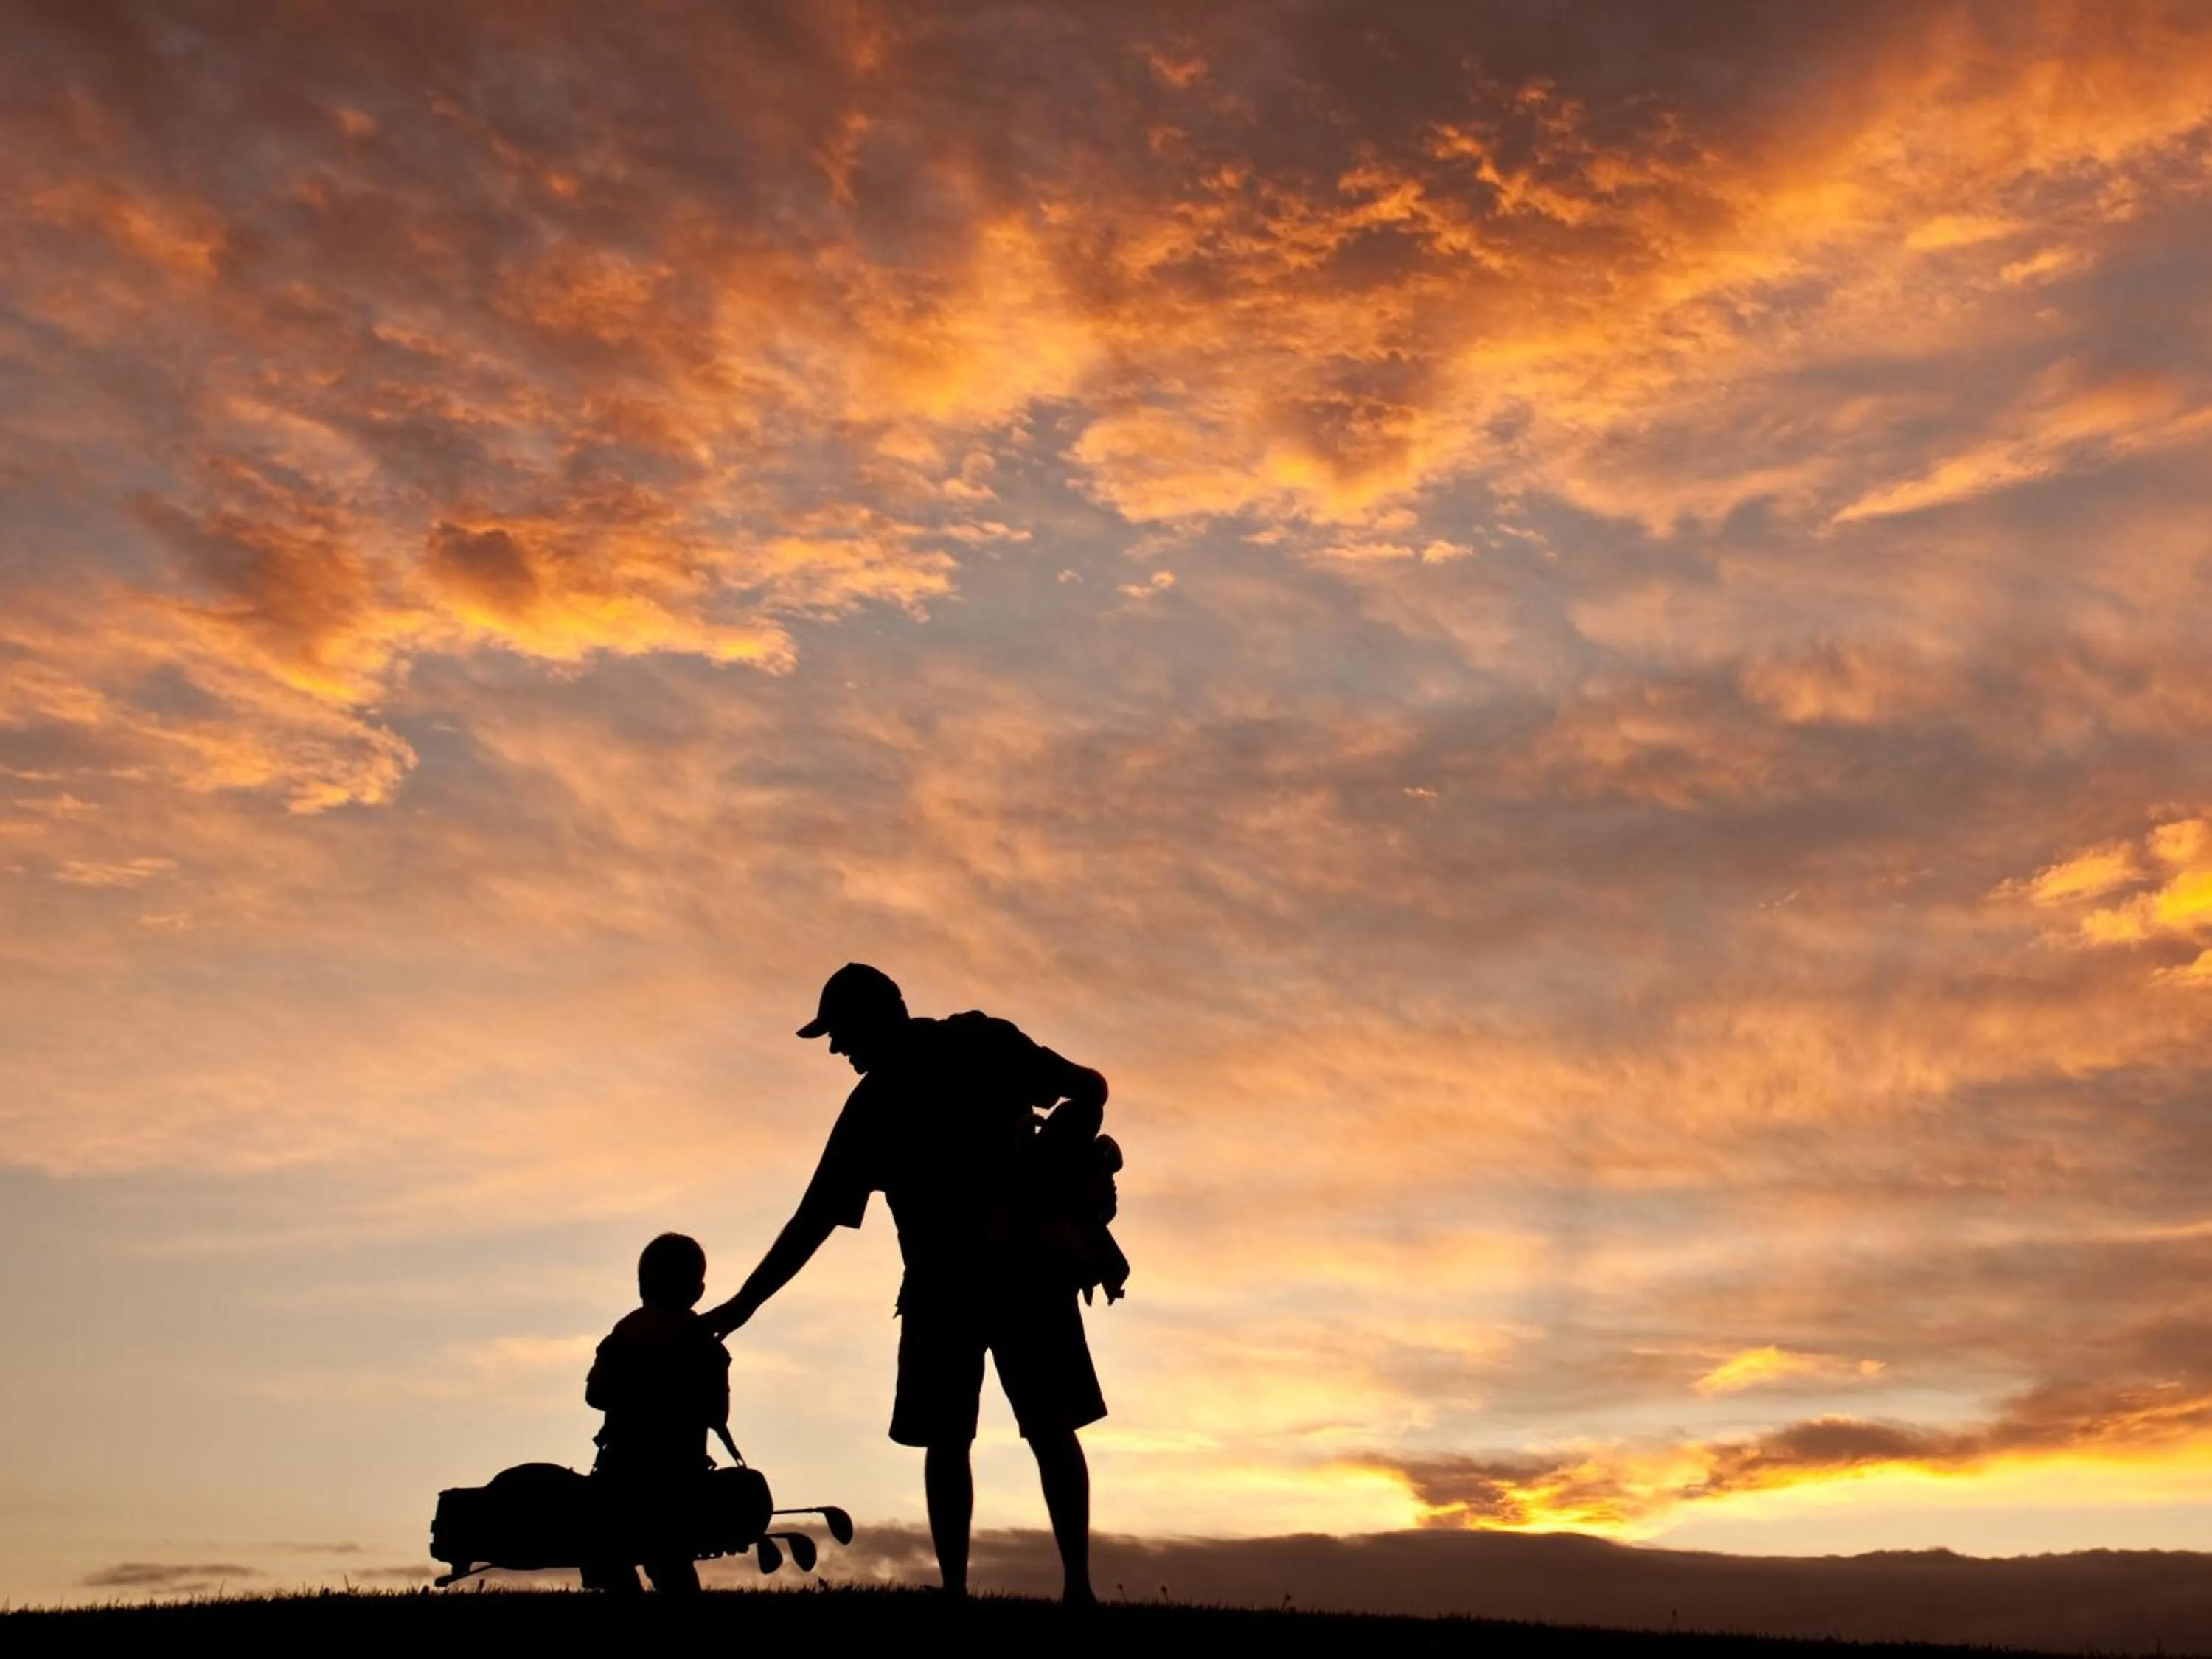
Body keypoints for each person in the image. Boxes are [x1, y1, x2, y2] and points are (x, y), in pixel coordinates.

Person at [706, 964, 1110, 1604]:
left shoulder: (892, 1094)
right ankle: (1069, 1591)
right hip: (991, 1280)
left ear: (875, 1017)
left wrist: (1059, 1175)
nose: (837, 1048)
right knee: (1028, 1432)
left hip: (972, 1283)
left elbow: (813, 1219)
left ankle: (980, 1592)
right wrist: (745, 1303)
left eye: (839, 1032)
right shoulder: (977, 1046)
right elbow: (1089, 1087)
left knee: (987, 1436)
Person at [583, 1231, 731, 1593]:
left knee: (610, 1554)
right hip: (682, 1473)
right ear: (698, 1291)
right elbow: (718, 1413)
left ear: (641, 1286)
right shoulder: (703, 1341)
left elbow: (595, 1394)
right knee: (672, 1563)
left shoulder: (625, 1333)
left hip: (624, 1469)